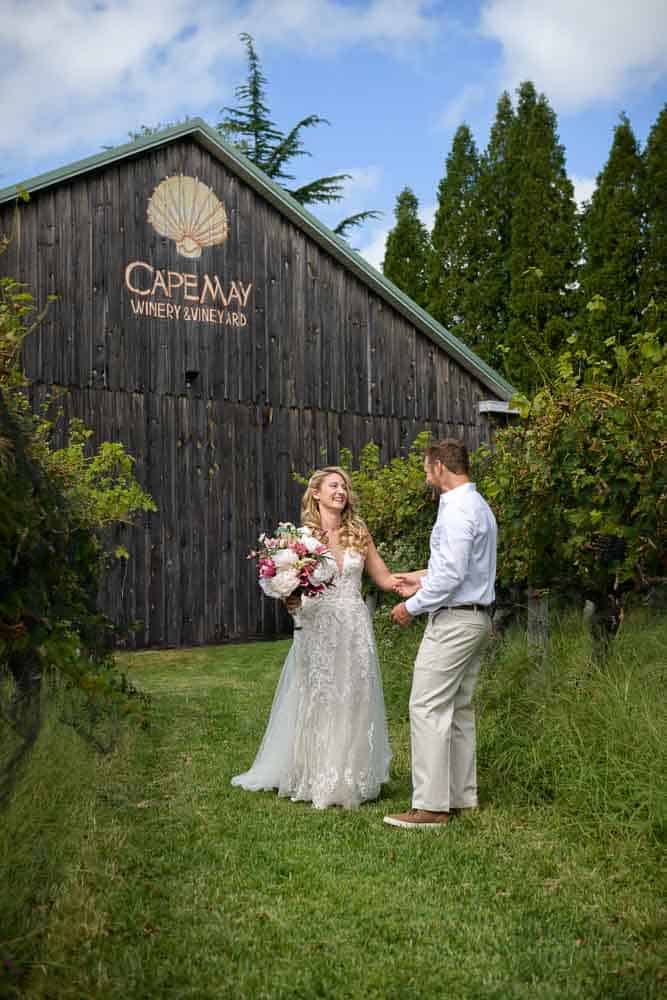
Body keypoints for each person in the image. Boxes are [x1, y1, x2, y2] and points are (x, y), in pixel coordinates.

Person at [232, 466, 397, 809]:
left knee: (354, 696)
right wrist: (287, 596)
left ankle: (350, 776)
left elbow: (384, 578)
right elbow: (287, 586)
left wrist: (431, 577)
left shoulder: (359, 532)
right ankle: (315, 774)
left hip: (353, 625)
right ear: (316, 493)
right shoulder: (299, 538)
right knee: (320, 696)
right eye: (334, 486)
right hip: (317, 625)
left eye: (345, 487)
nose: (341, 491)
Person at [384, 438, 497, 829]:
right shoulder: (477, 506)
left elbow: (450, 575)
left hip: (454, 622)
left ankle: (431, 807)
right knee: (459, 708)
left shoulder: (455, 510)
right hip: (476, 617)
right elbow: (459, 569)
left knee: (427, 706)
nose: (424, 474)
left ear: (439, 468)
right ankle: (461, 796)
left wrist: (411, 607)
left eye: (426, 467)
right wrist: (418, 579)